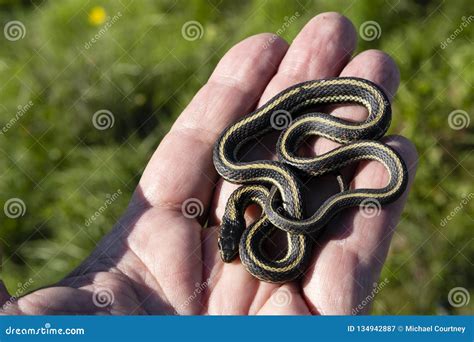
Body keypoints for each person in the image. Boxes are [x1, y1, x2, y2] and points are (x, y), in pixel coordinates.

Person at [0, 12, 417, 315]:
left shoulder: (269, 191)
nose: (228, 250)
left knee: (307, 142)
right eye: (228, 241)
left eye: (228, 243)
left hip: (296, 160)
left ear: (239, 223)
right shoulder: (261, 197)